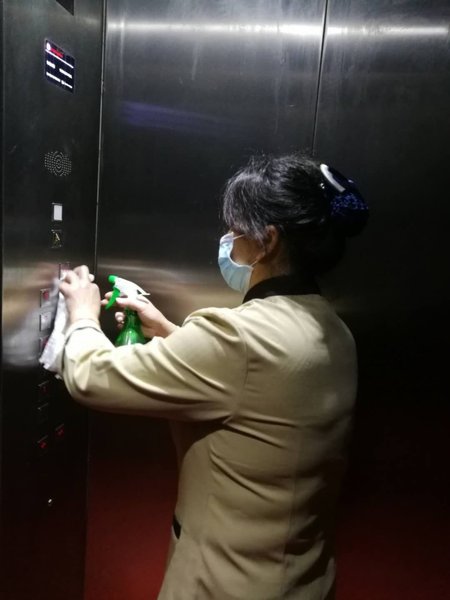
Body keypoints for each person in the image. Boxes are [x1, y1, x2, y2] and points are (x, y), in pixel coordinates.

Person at [59, 153, 368, 600]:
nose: (227, 241)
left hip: (224, 582)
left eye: (234, 230)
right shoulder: (334, 331)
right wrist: (172, 333)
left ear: (267, 241)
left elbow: (90, 377)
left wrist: (82, 315)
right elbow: (260, 388)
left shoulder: (237, 338)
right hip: (301, 579)